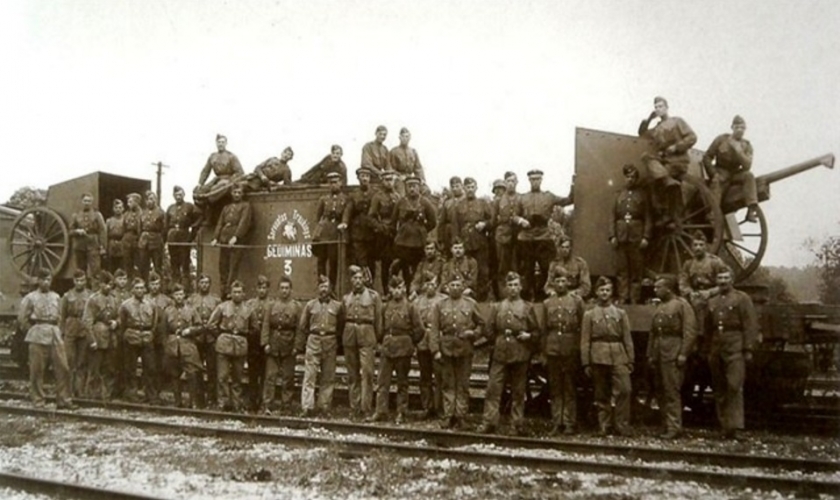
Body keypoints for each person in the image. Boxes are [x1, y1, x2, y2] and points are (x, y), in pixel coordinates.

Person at [477, 272, 539, 436]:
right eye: (509, 285)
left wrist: (529, 336)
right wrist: (497, 341)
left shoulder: (527, 307)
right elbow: (489, 329)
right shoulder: (498, 307)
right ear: (505, 288)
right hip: (500, 353)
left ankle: (516, 425)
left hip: (520, 353)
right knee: (493, 389)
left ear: (521, 287)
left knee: (519, 392)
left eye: (515, 285)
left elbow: (536, 332)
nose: (512, 289)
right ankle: (489, 422)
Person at [706, 267, 758, 440]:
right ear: (716, 281)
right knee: (719, 389)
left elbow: (750, 325)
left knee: (734, 386)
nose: (722, 281)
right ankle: (725, 427)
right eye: (720, 278)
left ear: (732, 280)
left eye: (726, 278)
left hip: (735, 346)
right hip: (716, 347)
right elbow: (707, 328)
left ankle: (736, 427)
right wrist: (708, 349)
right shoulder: (712, 301)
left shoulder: (741, 299)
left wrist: (748, 348)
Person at [428, 275, 485, 429]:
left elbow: (482, 325)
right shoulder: (440, 305)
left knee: (463, 384)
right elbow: (434, 330)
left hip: (464, 349)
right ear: (447, 287)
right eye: (452, 285)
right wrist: (435, 351)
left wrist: (473, 333)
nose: (455, 287)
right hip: (446, 350)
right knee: (448, 384)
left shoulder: (471, 304)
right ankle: (448, 416)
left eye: (458, 284)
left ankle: (461, 416)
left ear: (463, 286)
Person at [581, 277, 634, 436]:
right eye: (601, 290)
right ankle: (604, 426)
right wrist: (586, 363)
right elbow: (585, 340)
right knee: (601, 393)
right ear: (596, 292)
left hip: (618, 355)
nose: (604, 293)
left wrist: (630, 359)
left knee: (625, 389)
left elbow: (627, 337)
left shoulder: (620, 313)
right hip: (598, 356)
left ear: (611, 292)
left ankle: (621, 425)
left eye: (607, 290)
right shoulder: (589, 315)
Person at [648, 275, 698, 439]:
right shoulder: (660, 306)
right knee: (660, 390)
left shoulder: (682, 305)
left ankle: (674, 427)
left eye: (658, 287)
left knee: (672, 391)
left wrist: (683, 353)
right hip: (659, 353)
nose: (655, 290)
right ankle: (665, 425)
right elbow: (653, 334)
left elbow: (689, 332)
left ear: (668, 288)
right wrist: (651, 354)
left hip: (673, 352)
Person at [19, 269, 75, 409]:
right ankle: (38, 400)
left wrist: (59, 331)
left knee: (63, 368)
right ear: (38, 281)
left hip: (54, 334)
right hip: (37, 334)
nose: (46, 282)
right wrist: (33, 330)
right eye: (43, 279)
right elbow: (22, 319)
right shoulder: (30, 297)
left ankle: (64, 400)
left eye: (49, 279)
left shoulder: (56, 296)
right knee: (37, 370)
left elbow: (61, 316)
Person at [514, 169, 573, 301]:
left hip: (543, 237)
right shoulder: (522, 198)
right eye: (532, 179)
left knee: (546, 268)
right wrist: (521, 220)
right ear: (529, 180)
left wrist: (573, 185)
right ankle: (526, 297)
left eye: (537, 179)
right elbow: (514, 215)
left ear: (541, 180)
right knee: (527, 270)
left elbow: (568, 200)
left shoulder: (549, 196)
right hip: (527, 238)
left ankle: (543, 296)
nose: (535, 182)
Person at [369, 275, 421, 423]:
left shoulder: (411, 307)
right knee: (382, 382)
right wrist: (381, 342)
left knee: (402, 382)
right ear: (390, 290)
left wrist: (411, 343)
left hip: (404, 348)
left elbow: (419, 329)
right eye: (394, 288)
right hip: (387, 347)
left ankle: (401, 412)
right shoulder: (385, 306)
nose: (397, 291)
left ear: (404, 288)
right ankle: (381, 411)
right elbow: (379, 327)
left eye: (400, 288)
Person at [637, 96, 697, 223]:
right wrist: (649, 119)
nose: (658, 109)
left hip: (678, 161)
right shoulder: (657, 128)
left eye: (661, 106)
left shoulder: (677, 121)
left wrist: (676, 147)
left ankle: (666, 182)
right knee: (646, 159)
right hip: (665, 163)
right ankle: (665, 210)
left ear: (667, 108)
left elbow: (692, 137)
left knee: (656, 179)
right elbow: (642, 133)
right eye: (656, 107)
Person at [542, 271, 585, 435]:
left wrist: (579, 349)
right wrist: (544, 352)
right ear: (553, 283)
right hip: (553, 348)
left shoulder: (577, 301)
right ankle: (556, 421)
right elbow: (544, 329)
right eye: (557, 281)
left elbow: (583, 326)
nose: (560, 284)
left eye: (563, 281)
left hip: (570, 348)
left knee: (569, 387)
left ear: (569, 282)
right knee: (555, 387)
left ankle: (569, 422)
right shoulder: (547, 303)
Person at [297, 275, 342, 417]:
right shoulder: (310, 305)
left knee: (328, 377)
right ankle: (307, 407)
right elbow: (303, 326)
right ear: (317, 289)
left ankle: (324, 407)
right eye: (321, 286)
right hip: (314, 341)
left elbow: (341, 326)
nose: (324, 289)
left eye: (326, 286)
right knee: (310, 375)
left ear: (330, 289)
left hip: (330, 342)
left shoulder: (337, 306)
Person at [341, 265, 383, 418]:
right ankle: (354, 407)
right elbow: (342, 319)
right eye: (355, 278)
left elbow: (378, 320)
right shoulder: (346, 298)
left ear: (364, 279)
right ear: (351, 280)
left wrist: (377, 339)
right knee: (352, 374)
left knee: (367, 373)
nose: (358, 281)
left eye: (360, 278)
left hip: (367, 336)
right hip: (350, 337)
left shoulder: (373, 297)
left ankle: (366, 408)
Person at [703, 115, 759, 222]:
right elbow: (707, 157)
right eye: (737, 127)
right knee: (717, 182)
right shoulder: (721, 139)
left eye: (742, 128)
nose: (740, 130)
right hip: (721, 171)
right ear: (732, 127)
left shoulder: (746, 145)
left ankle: (751, 211)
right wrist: (713, 173)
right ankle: (712, 212)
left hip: (735, 173)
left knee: (749, 176)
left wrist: (738, 151)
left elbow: (747, 166)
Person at [610, 164, 652, 304]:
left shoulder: (642, 195)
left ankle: (634, 299)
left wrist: (646, 236)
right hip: (621, 235)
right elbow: (612, 217)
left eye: (633, 177)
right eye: (628, 176)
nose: (630, 179)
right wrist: (612, 236)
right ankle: (623, 297)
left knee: (636, 271)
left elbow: (648, 217)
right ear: (624, 177)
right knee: (622, 270)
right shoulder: (618, 194)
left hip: (636, 236)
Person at [261, 275, 302, 414]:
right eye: (282, 288)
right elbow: (266, 324)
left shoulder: (296, 306)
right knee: (270, 377)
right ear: (278, 290)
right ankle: (268, 404)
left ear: (291, 290)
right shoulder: (271, 305)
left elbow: (299, 329)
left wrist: (297, 346)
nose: (284, 291)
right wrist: (265, 342)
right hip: (273, 344)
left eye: (287, 288)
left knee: (288, 378)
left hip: (289, 345)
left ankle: (286, 406)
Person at [208, 280, 251, 412]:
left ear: (243, 294)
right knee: (222, 376)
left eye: (239, 292)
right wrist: (221, 336)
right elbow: (211, 324)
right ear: (230, 294)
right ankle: (223, 402)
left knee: (238, 377)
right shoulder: (222, 307)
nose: (237, 295)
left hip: (240, 346)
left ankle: (237, 404)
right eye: (234, 292)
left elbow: (254, 328)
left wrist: (244, 336)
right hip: (224, 345)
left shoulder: (249, 310)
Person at [161, 284, 203, 408]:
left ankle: (193, 402)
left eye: (181, 294)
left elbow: (200, 326)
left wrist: (190, 331)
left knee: (192, 373)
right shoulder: (167, 311)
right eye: (176, 294)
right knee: (174, 374)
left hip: (188, 345)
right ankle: (177, 401)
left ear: (184, 295)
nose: (179, 297)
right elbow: (163, 331)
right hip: (172, 346)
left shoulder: (191, 310)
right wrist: (166, 346)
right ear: (173, 296)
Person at [412, 272, 446, 419]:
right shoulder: (417, 302)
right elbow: (414, 324)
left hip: (438, 341)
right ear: (423, 286)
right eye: (427, 284)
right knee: (425, 376)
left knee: (440, 376)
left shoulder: (443, 300)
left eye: (433, 283)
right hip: (422, 342)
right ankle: (427, 406)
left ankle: (440, 408)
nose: (430, 287)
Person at [119, 278, 159, 403]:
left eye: (142, 288)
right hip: (131, 337)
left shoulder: (151, 304)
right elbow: (122, 323)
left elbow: (155, 321)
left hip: (147, 337)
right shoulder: (125, 305)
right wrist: (127, 335)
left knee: (150, 368)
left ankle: (151, 395)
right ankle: (131, 393)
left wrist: (151, 333)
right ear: (132, 290)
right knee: (130, 368)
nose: (140, 290)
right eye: (137, 288)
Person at [453, 177, 493, 301]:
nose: (470, 190)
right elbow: (455, 225)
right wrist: (457, 242)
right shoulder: (458, 205)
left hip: (480, 242)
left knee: (482, 271)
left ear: (476, 188)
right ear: (464, 188)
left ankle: (482, 298)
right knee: (465, 269)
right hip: (465, 243)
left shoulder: (483, 203)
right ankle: (467, 297)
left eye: (472, 187)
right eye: (467, 187)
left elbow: (492, 220)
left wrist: (485, 224)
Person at [82, 270, 120, 400]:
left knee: (110, 368)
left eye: (110, 284)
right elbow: (87, 321)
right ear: (100, 285)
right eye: (105, 284)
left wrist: (116, 322)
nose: (108, 287)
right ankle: (93, 395)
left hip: (111, 338)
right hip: (98, 338)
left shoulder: (114, 299)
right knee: (95, 368)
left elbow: (120, 316)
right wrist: (91, 340)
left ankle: (107, 395)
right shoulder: (93, 300)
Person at [393, 176, 437, 285]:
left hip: (419, 241)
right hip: (403, 241)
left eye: (414, 186)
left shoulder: (425, 202)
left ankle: (416, 287)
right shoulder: (401, 202)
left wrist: (422, 230)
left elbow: (433, 221)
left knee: (417, 266)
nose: (412, 189)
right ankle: (407, 287)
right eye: (409, 186)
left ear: (419, 187)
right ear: (406, 188)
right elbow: (394, 220)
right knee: (404, 266)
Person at [211, 184, 253, 296]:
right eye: (235, 192)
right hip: (224, 239)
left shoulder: (245, 206)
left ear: (242, 194)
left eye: (239, 192)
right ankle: (223, 290)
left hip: (236, 241)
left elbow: (244, 222)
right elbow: (220, 223)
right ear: (231, 193)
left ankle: (230, 292)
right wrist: (216, 238)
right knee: (223, 266)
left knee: (233, 267)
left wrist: (236, 237)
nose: (237, 195)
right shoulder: (226, 208)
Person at [187, 274, 222, 407]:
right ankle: (199, 399)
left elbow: (220, 319)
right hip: (197, 339)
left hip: (211, 338)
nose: (204, 285)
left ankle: (212, 399)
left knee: (212, 370)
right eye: (202, 282)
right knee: (197, 369)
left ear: (210, 284)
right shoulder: (191, 300)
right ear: (198, 284)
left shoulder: (216, 300)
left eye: (207, 283)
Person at [313, 172, 349, 287]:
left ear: (340, 183)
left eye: (335, 182)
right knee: (321, 261)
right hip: (323, 234)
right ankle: (321, 285)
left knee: (333, 262)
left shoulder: (345, 199)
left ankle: (332, 287)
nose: (333, 185)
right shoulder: (324, 199)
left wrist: (343, 223)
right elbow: (318, 217)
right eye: (331, 183)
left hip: (335, 233)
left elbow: (346, 214)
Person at [369, 170, 401, 292]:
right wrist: (380, 227)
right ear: (383, 181)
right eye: (386, 180)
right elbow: (371, 216)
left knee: (397, 263)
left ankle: (396, 288)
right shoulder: (378, 197)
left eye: (391, 180)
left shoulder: (398, 197)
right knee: (385, 263)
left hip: (396, 233)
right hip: (383, 234)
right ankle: (386, 290)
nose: (389, 183)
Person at [61, 270, 91, 397]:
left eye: (82, 280)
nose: (80, 283)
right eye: (77, 280)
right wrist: (62, 332)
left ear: (85, 281)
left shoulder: (90, 295)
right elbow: (62, 316)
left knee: (82, 361)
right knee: (69, 360)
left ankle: (80, 390)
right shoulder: (67, 296)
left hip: (84, 329)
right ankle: (68, 391)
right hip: (70, 329)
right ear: (74, 281)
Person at [165, 186, 201, 291]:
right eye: (176, 195)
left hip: (184, 237)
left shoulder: (189, 206)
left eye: (180, 194)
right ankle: (174, 287)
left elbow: (199, 217)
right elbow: (166, 224)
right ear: (174, 196)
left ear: (184, 195)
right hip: (172, 238)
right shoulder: (170, 208)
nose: (178, 197)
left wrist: (192, 230)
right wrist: (167, 235)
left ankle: (186, 287)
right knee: (174, 262)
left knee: (185, 262)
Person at [194, 134, 245, 207]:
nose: (220, 144)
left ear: (226, 143)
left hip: (228, 180)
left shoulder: (231, 156)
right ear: (216, 143)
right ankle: (201, 204)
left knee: (219, 187)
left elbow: (240, 172)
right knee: (199, 190)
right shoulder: (213, 156)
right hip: (217, 179)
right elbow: (206, 171)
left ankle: (208, 201)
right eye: (219, 142)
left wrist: (231, 180)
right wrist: (200, 183)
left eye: (222, 142)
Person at [245, 275, 272, 412]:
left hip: (265, 343)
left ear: (268, 289)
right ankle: (252, 401)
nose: (262, 290)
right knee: (252, 373)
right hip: (253, 342)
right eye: (260, 287)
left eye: (264, 288)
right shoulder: (250, 304)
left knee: (265, 374)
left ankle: (263, 401)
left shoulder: (272, 304)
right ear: (256, 289)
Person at [344, 167, 375, 279]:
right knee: (360, 260)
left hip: (372, 232)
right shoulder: (354, 195)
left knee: (371, 260)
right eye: (362, 176)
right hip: (358, 232)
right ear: (358, 178)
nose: (365, 179)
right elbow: (348, 210)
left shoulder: (375, 194)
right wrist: (344, 222)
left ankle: (370, 286)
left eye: (367, 176)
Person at [492, 172, 520, 295]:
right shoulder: (499, 200)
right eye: (508, 181)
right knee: (502, 267)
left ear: (516, 183)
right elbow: (493, 221)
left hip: (518, 236)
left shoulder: (521, 198)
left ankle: (518, 294)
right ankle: (503, 295)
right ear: (506, 183)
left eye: (513, 181)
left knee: (517, 266)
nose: (510, 183)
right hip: (502, 236)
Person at [69, 192, 107, 280]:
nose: (87, 203)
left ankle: (95, 289)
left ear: (92, 202)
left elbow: (102, 231)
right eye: (85, 201)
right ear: (82, 201)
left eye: (89, 201)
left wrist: (103, 246)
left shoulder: (97, 215)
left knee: (95, 270)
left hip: (93, 244)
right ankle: (83, 289)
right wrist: (77, 231)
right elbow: (70, 231)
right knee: (81, 270)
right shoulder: (75, 215)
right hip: (79, 246)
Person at [544, 235, 591, 299]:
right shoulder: (554, 264)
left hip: (574, 295)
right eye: (562, 247)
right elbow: (548, 286)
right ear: (559, 248)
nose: (564, 250)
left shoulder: (580, 263)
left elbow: (586, 286)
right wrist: (552, 292)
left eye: (567, 247)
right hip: (558, 296)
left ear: (570, 248)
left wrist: (575, 293)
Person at [389, 127, 425, 196]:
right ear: (399, 137)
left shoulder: (413, 152)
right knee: (401, 194)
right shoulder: (394, 151)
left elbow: (418, 168)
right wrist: (399, 176)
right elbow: (390, 168)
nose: (405, 138)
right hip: (399, 179)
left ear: (410, 138)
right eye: (403, 136)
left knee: (425, 190)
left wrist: (421, 179)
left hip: (411, 178)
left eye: (407, 136)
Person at [138, 191, 166, 281]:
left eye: (152, 199)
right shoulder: (143, 213)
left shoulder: (161, 212)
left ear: (156, 200)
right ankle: (144, 286)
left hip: (156, 241)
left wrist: (161, 240)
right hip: (144, 242)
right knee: (143, 265)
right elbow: (139, 228)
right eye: (148, 199)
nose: (149, 201)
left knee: (157, 266)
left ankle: (159, 287)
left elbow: (164, 228)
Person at [437, 176, 464, 257]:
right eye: (453, 187)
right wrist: (440, 238)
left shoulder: (466, 200)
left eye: (457, 186)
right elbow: (442, 222)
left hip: (463, 232)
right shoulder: (447, 203)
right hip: (449, 233)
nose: (455, 189)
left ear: (462, 186)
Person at [122, 193, 143, 279]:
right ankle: (129, 282)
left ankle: (138, 282)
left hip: (137, 241)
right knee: (127, 263)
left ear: (136, 202)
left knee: (138, 264)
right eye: (128, 202)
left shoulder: (141, 213)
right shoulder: (126, 214)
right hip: (127, 241)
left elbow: (141, 229)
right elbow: (123, 228)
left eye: (130, 202)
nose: (128, 204)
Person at [105, 199, 125, 274]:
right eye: (116, 208)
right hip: (112, 244)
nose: (118, 210)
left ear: (123, 209)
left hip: (122, 244)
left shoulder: (125, 220)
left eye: (120, 208)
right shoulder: (109, 221)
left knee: (122, 266)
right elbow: (105, 235)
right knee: (111, 266)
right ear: (113, 209)